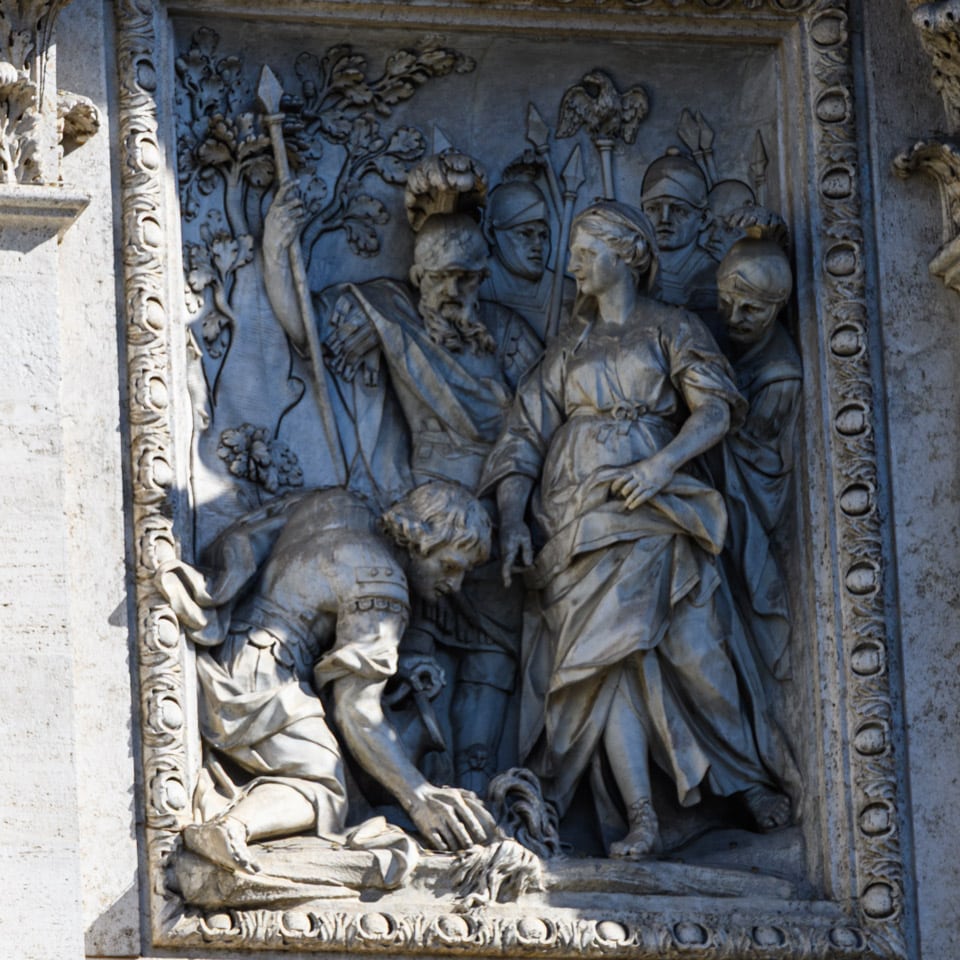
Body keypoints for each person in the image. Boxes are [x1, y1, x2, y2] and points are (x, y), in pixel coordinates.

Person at [482, 201, 792, 859]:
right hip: (577, 515)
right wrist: (511, 518)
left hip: (658, 503)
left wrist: (660, 466)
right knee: (609, 663)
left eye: (584, 252)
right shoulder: (568, 347)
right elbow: (520, 439)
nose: (572, 266)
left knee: (697, 646)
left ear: (626, 254)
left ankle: (742, 778)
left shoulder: (672, 328)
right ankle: (642, 816)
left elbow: (716, 410)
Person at [262, 170, 543, 795]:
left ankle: (481, 777)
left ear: (483, 275)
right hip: (424, 512)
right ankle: (414, 786)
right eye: (442, 279)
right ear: (419, 277)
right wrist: (279, 240)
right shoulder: (387, 312)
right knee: (418, 650)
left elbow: (549, 412)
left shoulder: (514, 338)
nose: (455, 292)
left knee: (494, 651)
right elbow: (306, 323)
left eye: (467, 278)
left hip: (500, 512)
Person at [156, 482, 497, 872]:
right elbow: (356, 712)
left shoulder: (341, 504)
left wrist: (396, 667)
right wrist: (418, 796)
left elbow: (268, 554)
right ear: (419, 538)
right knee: (327, 788)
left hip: (225, 643)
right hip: (258, 684)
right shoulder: (384, 587)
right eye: (449, 565)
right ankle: (232, 827)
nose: (453, 585)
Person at [715, 236, 802, 682]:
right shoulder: (729, 334)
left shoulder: (779, 376)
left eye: (750, 309)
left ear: (777, 307)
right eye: (727, 302)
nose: (734, 317)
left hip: (748, 499)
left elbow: (750, 456)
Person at [640, 148, 721, 339]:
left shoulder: (716, 275)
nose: (664, 219)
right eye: (653, 208)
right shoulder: (630, 271)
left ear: (703, 218)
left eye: (678, 210)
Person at [482, 180, 575, 341]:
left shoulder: (567, 292)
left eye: (543, 235)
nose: (538, 245)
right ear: (491, 233)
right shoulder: (474, 286)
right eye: (525, 234)